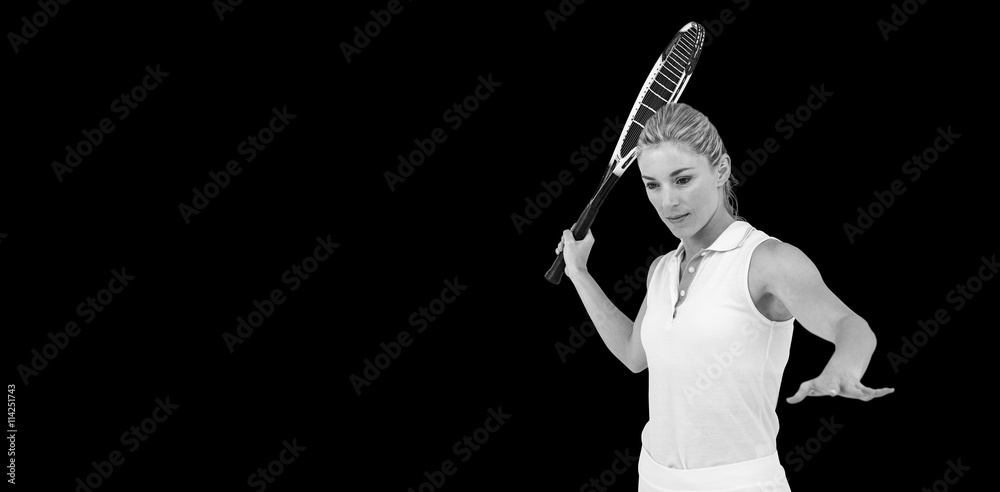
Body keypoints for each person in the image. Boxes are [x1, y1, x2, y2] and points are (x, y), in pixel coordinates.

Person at [554, 103, 893, 491]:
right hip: (653, 478)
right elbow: (634, 357)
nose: (668, 202)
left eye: (682, 180)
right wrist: (579, 274)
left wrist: (844, 369)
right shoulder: (662, 268)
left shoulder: (767, 260)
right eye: (653, 185)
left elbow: (850, 324)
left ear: (722, 169)